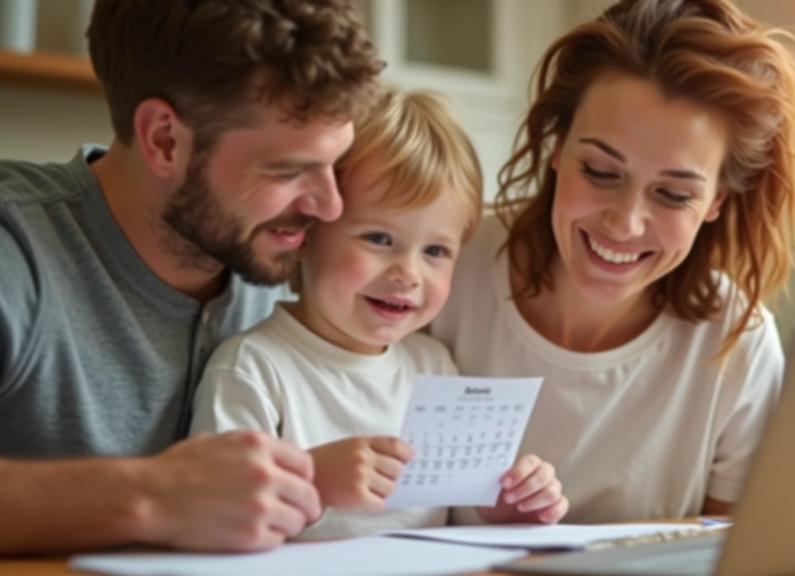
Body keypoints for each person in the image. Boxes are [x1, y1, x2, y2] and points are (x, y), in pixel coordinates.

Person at [0, 0, 383, 554]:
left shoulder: (285, 260)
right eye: (288, 170)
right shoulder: (2, 249)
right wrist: (152, 495)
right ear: (164, 140)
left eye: (335, 163)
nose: (330, 207)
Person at [430, 0, 795, 524]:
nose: (623, 224)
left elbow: (727, 557)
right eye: (600, 171)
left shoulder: (737, 342)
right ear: (558, 144)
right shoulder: (442, 265)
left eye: (672, 194)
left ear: (715, 202)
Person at [190, 86, 569, 539]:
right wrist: (313, 480)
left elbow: (455, 507)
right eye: (379, 239)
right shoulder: (253, 369)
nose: (408, 273)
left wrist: (505, 504)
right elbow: (211, 516)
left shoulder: (435, 367)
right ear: (305, 233)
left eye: (435, 250)